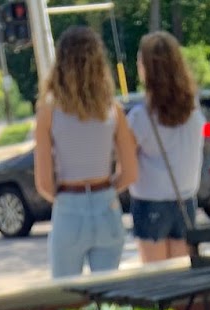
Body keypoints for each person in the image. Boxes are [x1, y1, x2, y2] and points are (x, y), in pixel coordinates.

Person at [33, 25, 137, 279]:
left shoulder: (49, 111)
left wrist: (67, 200)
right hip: (106, 203)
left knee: (66, 298)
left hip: (69, 203)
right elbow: (131, 172)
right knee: (111, 301)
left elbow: (44, 183)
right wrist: (109, 187)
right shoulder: (112, 110)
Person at [127, 32, 204, 264]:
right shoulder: (193, 110)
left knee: (156, 281)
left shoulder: (140, 117)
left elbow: (127, 163)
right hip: (186, 198)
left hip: (149, 201)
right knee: (181, 281)